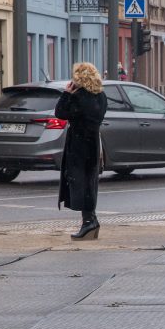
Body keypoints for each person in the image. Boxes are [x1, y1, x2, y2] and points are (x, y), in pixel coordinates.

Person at [55, 62, 108, 241]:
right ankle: (91, 219)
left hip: (78, 145)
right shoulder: (101, 96)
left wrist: (66, 94)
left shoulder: (79, 98)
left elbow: (60, 113)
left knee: (79, 182)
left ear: (79, 79)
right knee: (89, 181)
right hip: (93, 143)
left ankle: (88, 223)